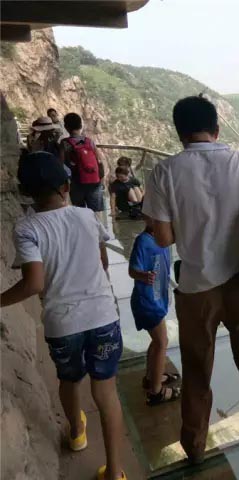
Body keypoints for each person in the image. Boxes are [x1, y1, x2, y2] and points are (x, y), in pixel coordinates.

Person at [143, 96, 239, 466]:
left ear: (180, 133)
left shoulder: (164, 172)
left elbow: (164, 239)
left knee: (197, 371)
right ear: (217, 129)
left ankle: (196, 450)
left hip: (196, 289)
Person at [1, 152, 126, 480]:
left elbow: (34, 283)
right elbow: (102, 262)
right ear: (67, 186)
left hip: (63, 324)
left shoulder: (27, 228)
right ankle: (114, 472)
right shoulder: (87, 216)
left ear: (25, 192)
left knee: (69, 381)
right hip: (102, 316)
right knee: (106, 393)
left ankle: (77, 434)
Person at [128, 214, 181, 405]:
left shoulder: (164, 239)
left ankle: (151, 377)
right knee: (161, 342)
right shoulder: (143, 241)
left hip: (157, 299)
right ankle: (156, 391)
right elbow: (132, 270)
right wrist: (143, 275)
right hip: (147, 302)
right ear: (146, 218)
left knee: (157, 341)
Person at [60, 113, 108, 212]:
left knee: (80, 213)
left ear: (66, 127)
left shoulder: (64, 143)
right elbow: (99, 161)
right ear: (80, 126)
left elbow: (61, 164)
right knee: (96, 213)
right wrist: (102, 180)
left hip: (76, 182)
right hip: (94, 181)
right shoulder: (89, 141)